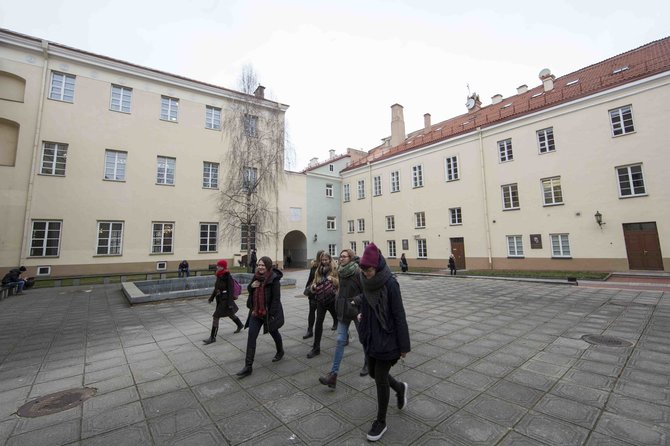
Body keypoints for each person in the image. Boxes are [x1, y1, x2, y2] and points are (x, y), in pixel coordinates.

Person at [357, 243, 410, 442]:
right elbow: (368, 299)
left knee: (379, 376)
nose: (366, 273)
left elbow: (399, 314)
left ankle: (381, 421)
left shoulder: (390, 283)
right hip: (371, 335)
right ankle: (400, 388)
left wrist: (404, 346)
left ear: (377, 266)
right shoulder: (365, 280)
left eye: (369, 270)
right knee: (372, 372)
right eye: (363, 270)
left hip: (388, 338)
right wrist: (361, 309)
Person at [319, 249, 367, 389]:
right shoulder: (340, 271)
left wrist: (355, 301)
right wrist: (337, 298)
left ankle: (367, 362)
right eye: (340, 256)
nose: (341, 258)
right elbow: (340, 288)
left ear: (351, 258)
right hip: (343, 311)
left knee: (364, 338)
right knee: (340, 341)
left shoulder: (358, 272)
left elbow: (366, 292)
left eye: (344, 256)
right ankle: (333, 375)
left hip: (357, 311)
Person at [236, 256, 284, 378]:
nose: (260, 267)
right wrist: (251, 286)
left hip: (268, 313)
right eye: (259, 265)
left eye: (263, 265)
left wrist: (272, 315)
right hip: (256, 312)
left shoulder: (274, 279)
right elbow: (250, 288)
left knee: (274, 333)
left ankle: (280, 351)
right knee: (251, 336)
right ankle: (248, 366)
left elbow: (276, 299)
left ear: (268, 266)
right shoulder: (256, 276)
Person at [306, 252, 339, 358]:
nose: (324, 262)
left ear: (330, 260)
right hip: (321, 300)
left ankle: (345, 336)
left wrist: (332, 279)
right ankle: (316, 348)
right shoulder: (318, 270)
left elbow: (340, 283)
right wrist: (314, 286)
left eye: (326, 260)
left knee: (338, 318)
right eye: (322, 260)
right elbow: (314, 282)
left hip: (332, 299)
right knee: (318, 322)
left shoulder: (334, 269)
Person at [203, 260, 244, 345]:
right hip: (220, 299)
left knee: (216, 316)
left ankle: (212, 337)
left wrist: (230, 304)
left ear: (223, 267)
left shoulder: (227, 276)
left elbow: (230, 290)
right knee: (230, 314)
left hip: (225, 300)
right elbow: (216, 288)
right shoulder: (219, 275)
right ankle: (240, 325)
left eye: (219, 265)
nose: (217, 267)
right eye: (217, 265)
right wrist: (211, 298)